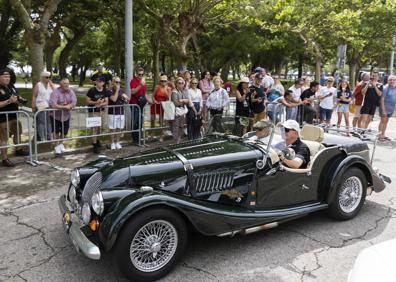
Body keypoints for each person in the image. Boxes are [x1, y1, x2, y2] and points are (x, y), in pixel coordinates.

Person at [0, 68, 27, 167]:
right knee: (4, 139)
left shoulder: (11, 86)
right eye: (5, 76)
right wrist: (9, 101)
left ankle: (18, 150)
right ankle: (4, 158)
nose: (7, 78)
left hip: (14, 116)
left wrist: (20, 101)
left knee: (18, 133)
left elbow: (18, 98)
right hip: (3, 119)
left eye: (9, 77)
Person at [49, 78, 77, 156]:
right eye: (65, 83)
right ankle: (56, 146)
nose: (67, 85)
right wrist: (65, 107)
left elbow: (74, 102)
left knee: (64, 131)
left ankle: (61, 144)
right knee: (56, 131)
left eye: (68, 83)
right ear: (60, 85)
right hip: (55, 115)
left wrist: (70, 105)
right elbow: (53, 105)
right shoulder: (55, 92)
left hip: (66, 115)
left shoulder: (71, 92)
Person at [86, 76, 109, 153]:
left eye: (100, 81)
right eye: (97, 81)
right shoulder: (92, 90)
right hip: (93, 112)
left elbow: (106, 102)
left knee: (99, 128)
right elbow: (88, 101)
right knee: (94, 128)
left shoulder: (105, 90)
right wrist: (96, 102)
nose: (98, 82)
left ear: (103, 83)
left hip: (101, 111)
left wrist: (101, 104)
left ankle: (97, 140)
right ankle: (94, 144)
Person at [32, 71, 55, 141]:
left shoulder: (50, 85)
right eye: (47, 77)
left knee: (49, 121)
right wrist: (33, 106)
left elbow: (56, 93)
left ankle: (49, 136)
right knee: (41, 122)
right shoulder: (38, 85)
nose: (49, 79)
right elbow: (34, 96)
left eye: (50, 77)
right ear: (42, 78)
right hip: (40, 106)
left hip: (49, 106)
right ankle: (42, 137)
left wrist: (52, 86)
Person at [108, 77, 128, 150]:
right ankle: (112, 143)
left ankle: (117, 142)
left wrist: (125, 99)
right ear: (113, 83)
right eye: (116, 82)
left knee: (119, 128)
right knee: (112, 129)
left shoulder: (121, 90)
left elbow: (127, 98)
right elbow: (114, 99)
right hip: (112, 113)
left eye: (119, 82)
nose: (118, 84)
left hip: (121, 112)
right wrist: (117, 90)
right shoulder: (110, 91)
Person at [129, 67, 147, 144]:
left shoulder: (144, 82)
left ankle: (139, 137)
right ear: (136, 74)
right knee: (135, 121)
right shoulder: (133, 81)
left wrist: (150, 101)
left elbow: (144, 94)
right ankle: (135, 139)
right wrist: (140, 85)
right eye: (139, 74)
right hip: (134, 104)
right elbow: (133, 92)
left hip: (142, 104)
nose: (141, 76)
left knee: (141, 121)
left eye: (142, 74)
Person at [151, 75, 171, 142]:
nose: (163, 82)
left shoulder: (168, 88)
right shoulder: (157, 87)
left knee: (161, 121)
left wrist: (166, 94)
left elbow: (169, 99)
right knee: (153, 119)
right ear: (160, 81)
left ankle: (161, 136)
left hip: (163, 106)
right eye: (162, 81)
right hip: (155, 105)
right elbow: (153, 96)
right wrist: (154, 101)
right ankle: (152, 134)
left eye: (164, 81)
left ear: (167, 82)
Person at [171, 77, 190, 144]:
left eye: (182, 83)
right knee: (176, 126)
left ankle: (179, 139)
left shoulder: (182, 91)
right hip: (176, 112)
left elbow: (187, 100)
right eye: (179, 83)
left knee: (181, 126)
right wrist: (183, 102)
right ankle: (176, 141)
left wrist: (182, 100)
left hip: (182, 112)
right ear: (176, 83)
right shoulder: (174, 92)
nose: (181, 84)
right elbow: (175, 103)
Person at [378, 75, 396, 141]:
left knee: (386, 122)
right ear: (388, 80)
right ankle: (379, 136)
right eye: (390, 80)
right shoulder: (385, 88)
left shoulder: (395, 87)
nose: (392, 81)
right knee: (383, 121)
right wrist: (383, 110)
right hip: (384, 108)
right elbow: (382, 99)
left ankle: (383, 134)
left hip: (391, 108)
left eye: (393, 80)